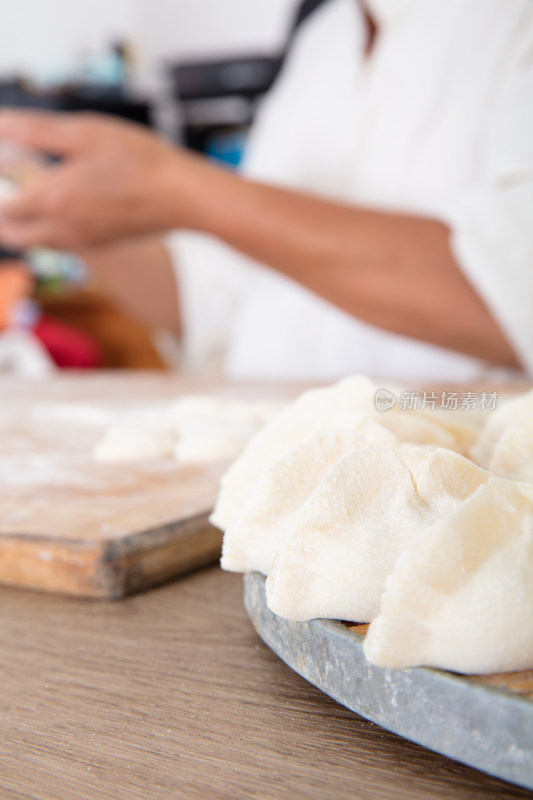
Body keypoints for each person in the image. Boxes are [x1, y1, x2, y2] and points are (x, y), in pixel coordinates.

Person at [0, 0, 531, 382]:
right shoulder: (324, 38)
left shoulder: (509, 21)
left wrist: (187, 190)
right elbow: (217, 301)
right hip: (274, 459)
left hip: (459, 450)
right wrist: (64, 212)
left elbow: (510, 301)